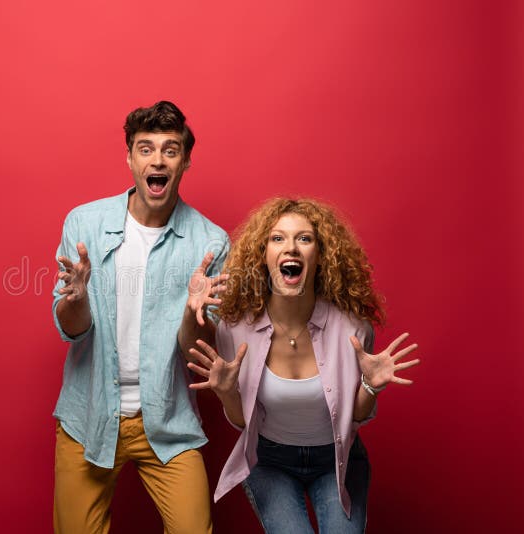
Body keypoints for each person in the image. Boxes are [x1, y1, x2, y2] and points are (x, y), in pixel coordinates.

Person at [179, 198, 420, 533]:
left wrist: (370, 386)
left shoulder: (351, 329)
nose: (290, 248)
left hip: (337, 461)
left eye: (304, 239)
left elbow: (356, 417)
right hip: (270, 461)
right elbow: (240, 421)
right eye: (277, 238)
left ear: (320, 256)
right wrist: (225, 393)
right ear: (263, 255)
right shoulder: (237, 329)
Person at [51, 101, 229, 534]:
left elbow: (194, 352)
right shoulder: (85, 223)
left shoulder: (210, 242)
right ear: (130, 158)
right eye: (146, 148)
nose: (158, 159)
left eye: (170, 150)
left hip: (166, 422)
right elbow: (72, 331)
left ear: (185, 161)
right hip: (89, 416)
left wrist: (194, 314)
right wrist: (74, 299)